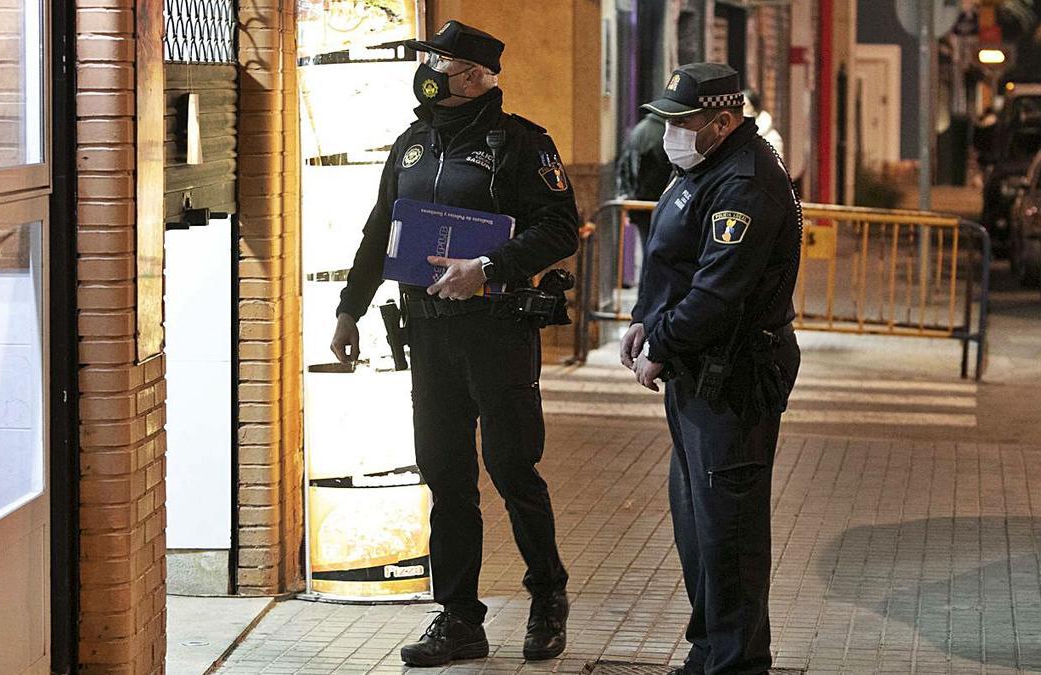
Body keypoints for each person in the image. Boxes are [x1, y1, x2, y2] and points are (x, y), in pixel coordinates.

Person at [330, 20, 578, 668]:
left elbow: (559, 230)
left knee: (512, 470)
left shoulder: (522, 145)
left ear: (474, 75)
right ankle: (460, 618)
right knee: (447, 478)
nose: (429, 66)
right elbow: (378, 233)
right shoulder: (412, 146)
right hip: (431, 339)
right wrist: (347, 311)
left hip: (496, 333)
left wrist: (489, 267)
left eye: (439, 59)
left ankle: (548, 596)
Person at [621, 64, 802, 675]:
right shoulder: (700, 167)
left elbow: (719, 292)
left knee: (729, 533)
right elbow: (670, 259)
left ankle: (738, 663)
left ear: (723, 122)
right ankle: (709, 654)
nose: (669, 131)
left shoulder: (745, 183)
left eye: (681, 120)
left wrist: (662, 344)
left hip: (736, 375)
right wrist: (646, 317)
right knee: (698, 525)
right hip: (699, 373)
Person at [617, 112, 674, 259]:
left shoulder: (639, 130)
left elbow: (624, 166)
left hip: (640, 202)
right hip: (655, 203)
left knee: (648, 252)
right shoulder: (662, 134)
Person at [742, 88, 784, 159]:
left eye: (745, 107)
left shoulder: (772, 138)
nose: (742, 111)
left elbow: (776, 166)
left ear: (754, 110)